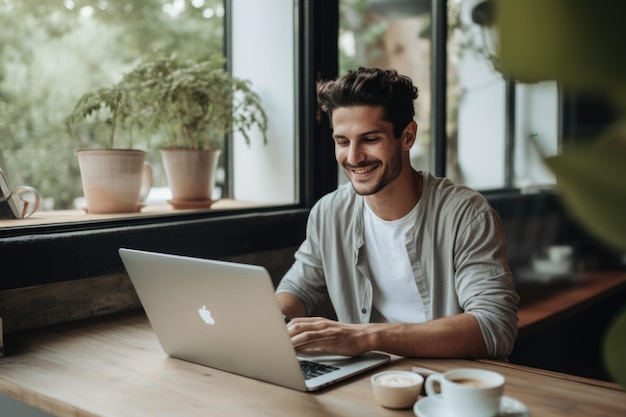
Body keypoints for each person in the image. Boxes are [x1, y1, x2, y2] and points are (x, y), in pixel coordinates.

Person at [276, 67, 519, 360]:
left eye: (370, 139)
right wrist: (273, 320)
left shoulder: (467, 214)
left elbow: (495, 327)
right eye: (342, 141)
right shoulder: (329, 212)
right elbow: (297, 289)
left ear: (407, 136)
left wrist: (367, 336)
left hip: (453, 386)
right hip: (370, 382)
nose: (353, 157)